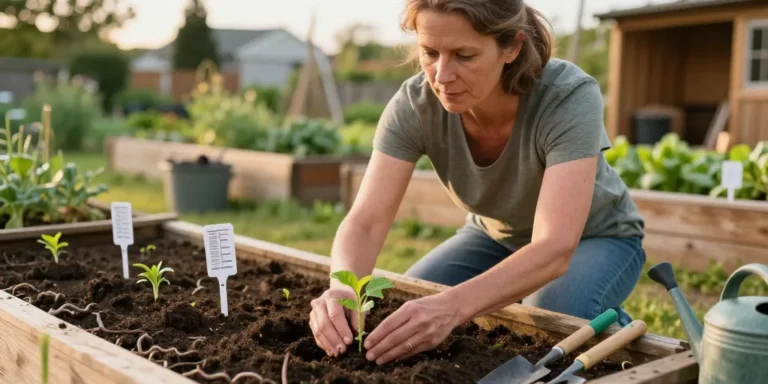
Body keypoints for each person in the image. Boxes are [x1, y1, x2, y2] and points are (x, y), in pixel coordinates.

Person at [308, 0, 646, 366]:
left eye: (464, 55)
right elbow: (366, 221)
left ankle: (618, 329)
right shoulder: (415, 104)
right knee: (406, 312)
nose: (441, 75)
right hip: (493, 236)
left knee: (550, 313)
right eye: (429, 52)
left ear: (512, 47)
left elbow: (555, 246)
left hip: (597, 237)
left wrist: (453, 307)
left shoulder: (566, 96)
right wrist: (343, 288)